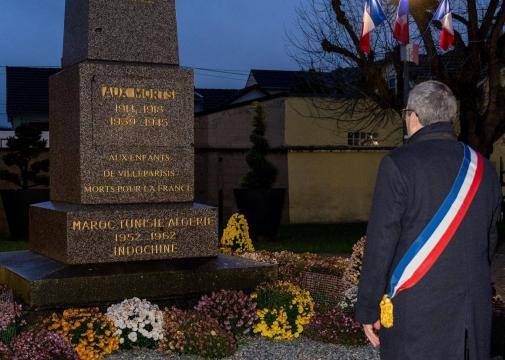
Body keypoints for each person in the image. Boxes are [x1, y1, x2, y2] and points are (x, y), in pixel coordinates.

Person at [356, 80, 502, 359]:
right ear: (450, 118)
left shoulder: (398, 163)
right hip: (472, 314)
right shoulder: (483, 168)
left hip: (417, 312)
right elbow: (489, 241)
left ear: (414, 116)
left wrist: (367, 308)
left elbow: (380, 243)